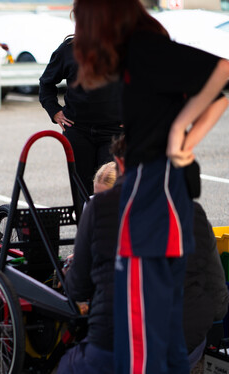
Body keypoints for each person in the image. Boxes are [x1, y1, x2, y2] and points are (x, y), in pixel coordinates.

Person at [74, 1, 229, 373]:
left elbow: (221, 73)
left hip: (152, 195)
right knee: (163, 332)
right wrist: (183, 139)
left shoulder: (144, 49)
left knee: (142, 335)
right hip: (158, 193)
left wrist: (181, 137)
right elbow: (217, 90)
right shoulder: (139, 53)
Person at [58, 136, 229, 373]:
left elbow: (78, 289)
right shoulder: (193, 211)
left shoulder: (101, 209)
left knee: (67, 364)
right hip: (185, 343)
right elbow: (218, 296)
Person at [39, 35, 123, 196]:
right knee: (81, 192)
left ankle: (109, 221)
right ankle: (84, 220)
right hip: (78, 131)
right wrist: (54, 110)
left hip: (114, 133)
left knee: (110, 189)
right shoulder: (69, 49)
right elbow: (46, 83)